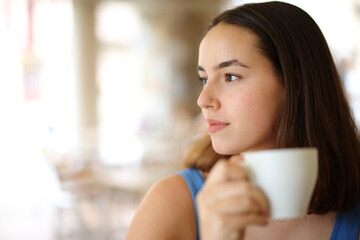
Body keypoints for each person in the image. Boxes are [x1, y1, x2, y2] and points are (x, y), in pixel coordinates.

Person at [125, 1, 360, 239]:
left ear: (296, 84)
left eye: (231, 76)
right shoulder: (172, 202)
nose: (203, 99)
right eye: (204, 79)